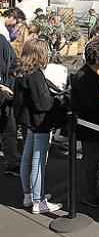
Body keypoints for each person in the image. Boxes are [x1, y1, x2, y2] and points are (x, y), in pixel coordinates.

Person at [14, 39, 63, 214]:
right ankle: (38, 201)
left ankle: (29, 194)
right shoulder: (35, 74)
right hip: (39, 122)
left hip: (28, 122)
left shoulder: (21, 70)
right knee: (38, 160)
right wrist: (57, 101)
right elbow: (43, 103)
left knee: (27, 157)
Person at [71, 36, 99, 208]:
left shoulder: (94, 73)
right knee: (91, 162)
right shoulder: (84, 77)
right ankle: (88, 195)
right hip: (91, 127)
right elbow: (92, 104)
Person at [0, 33, 19, 176]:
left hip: (6, 92)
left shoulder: (2, 41)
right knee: (9, 129)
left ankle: (11, 162)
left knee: (9, 129)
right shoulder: (2, 41)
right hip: (5, 91)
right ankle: (11, 162)